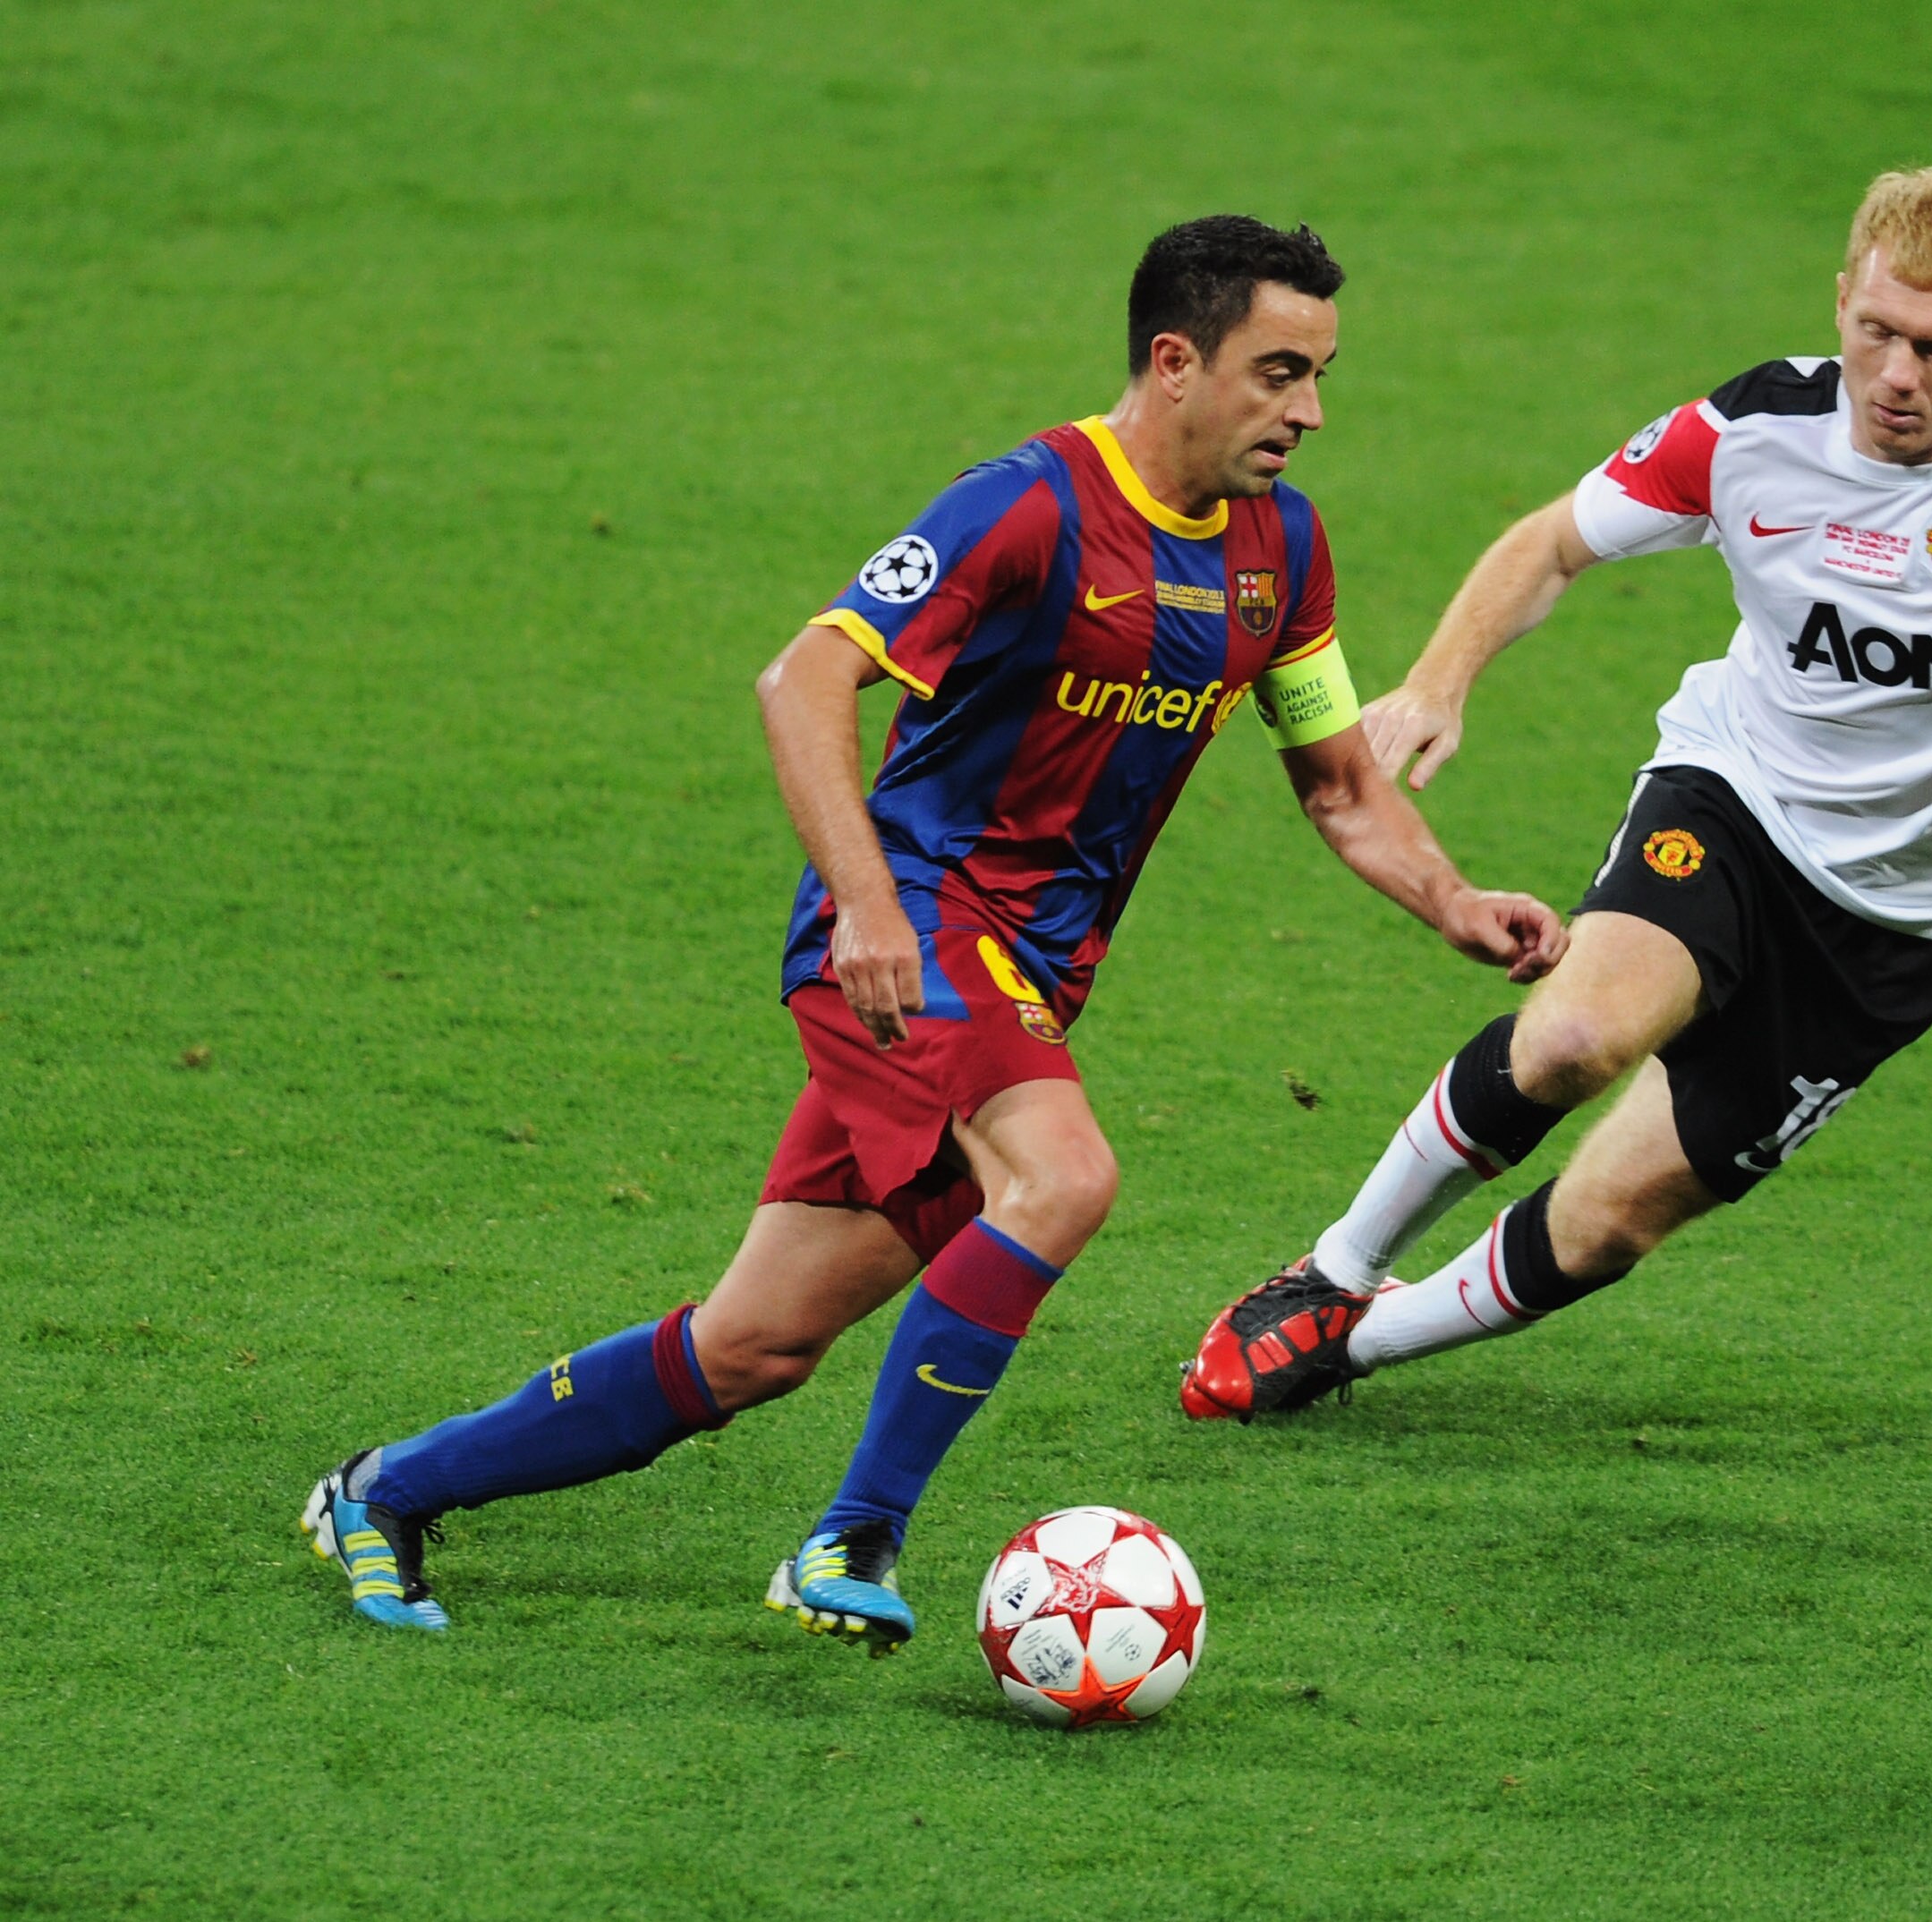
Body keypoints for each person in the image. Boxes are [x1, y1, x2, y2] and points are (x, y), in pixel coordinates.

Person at [302, 216, 1566, 1641]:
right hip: (906, 943)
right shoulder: (1024, 507)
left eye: (1323, 376)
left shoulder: (1283, 549)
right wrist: (863, 899)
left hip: (1027, 983)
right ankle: (855, 1541)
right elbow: (803, 680)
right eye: (1278, 374)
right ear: (1174, 362)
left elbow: (1342, 788)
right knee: (1064, 1179)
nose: (1310, 412)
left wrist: (1454, 901)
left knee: (755, 1346)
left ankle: (384, 1489)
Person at [1179, 168, 1932, 1420]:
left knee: (1608, 1224)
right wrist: (1440, 682)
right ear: (1842, 304)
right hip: (1736, 800)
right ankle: (1327, 1275)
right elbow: (1549, 542)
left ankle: (1352, 1352)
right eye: (1875, 333)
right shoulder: (1753, 430)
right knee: (1579, 1039)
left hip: (1896, 926)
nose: (1899, 376)